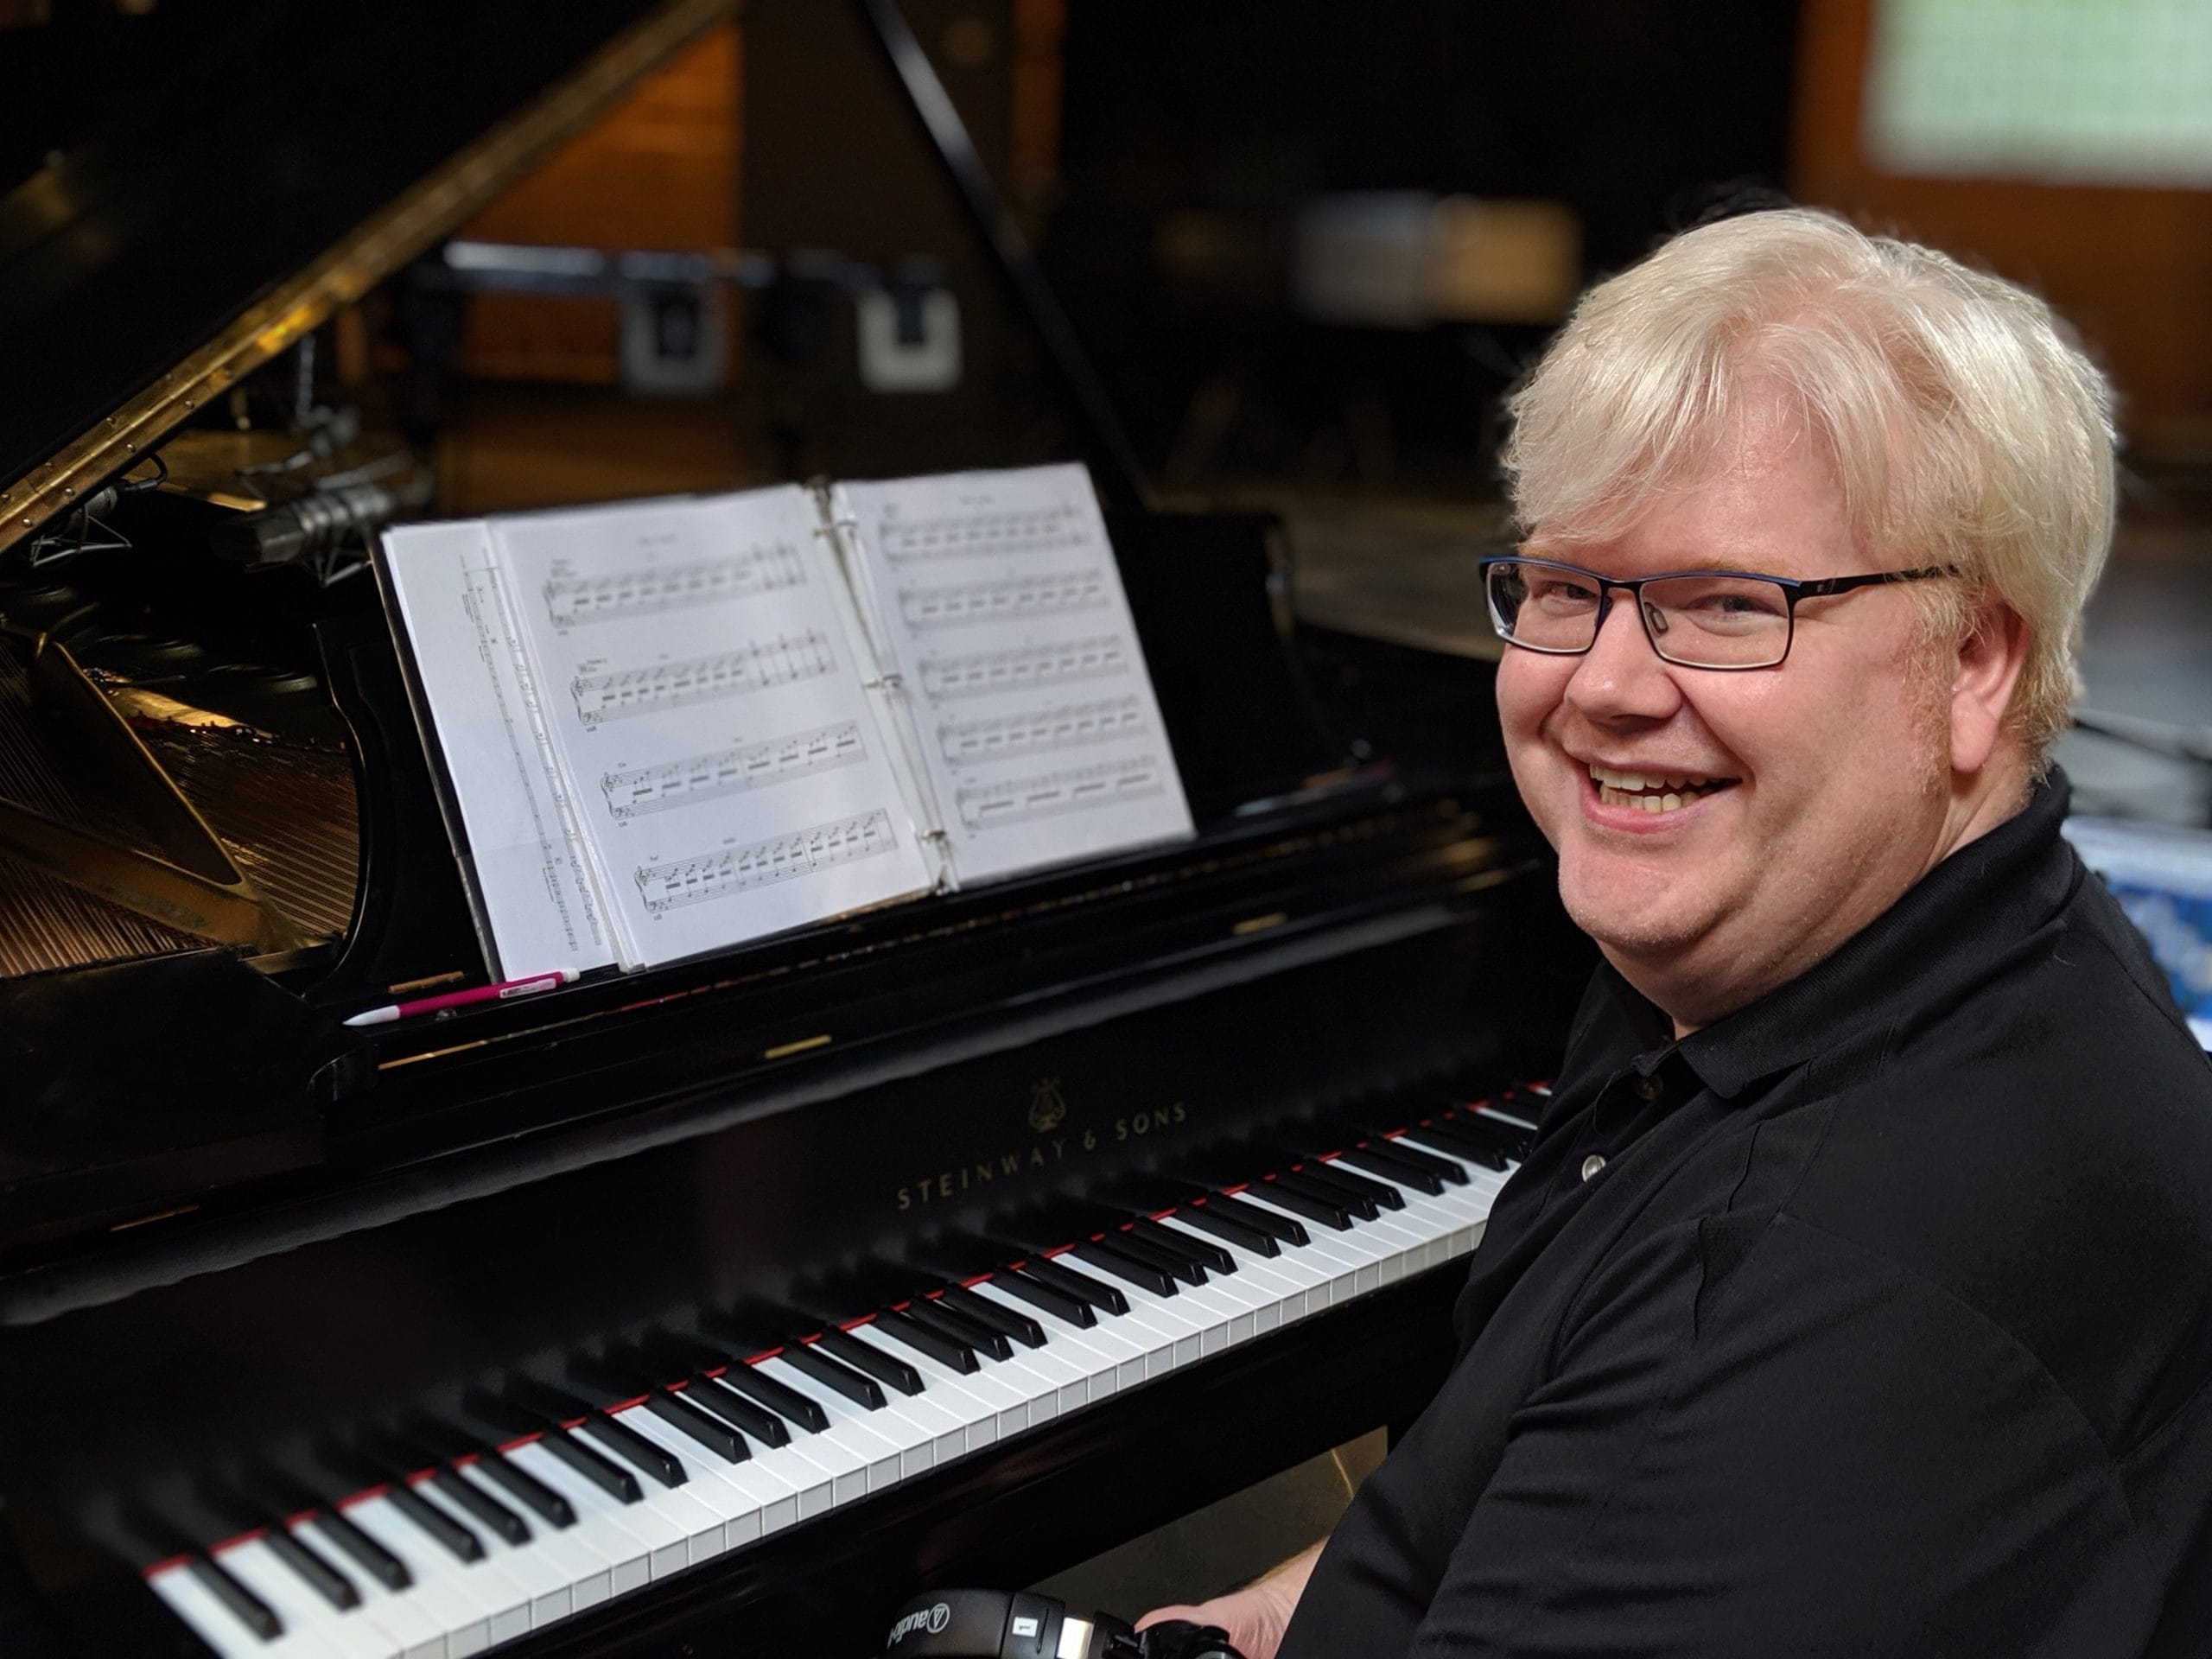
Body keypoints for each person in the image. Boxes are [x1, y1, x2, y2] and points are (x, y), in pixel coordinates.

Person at [1141, 207, 2212, 1657]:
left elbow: (1697, 1440)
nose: (1605, 688)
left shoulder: (1819, 1295)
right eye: (1568, 589)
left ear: (1975, 660)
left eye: (1724, 605)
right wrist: (1313, 1602)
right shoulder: (1939, 948)